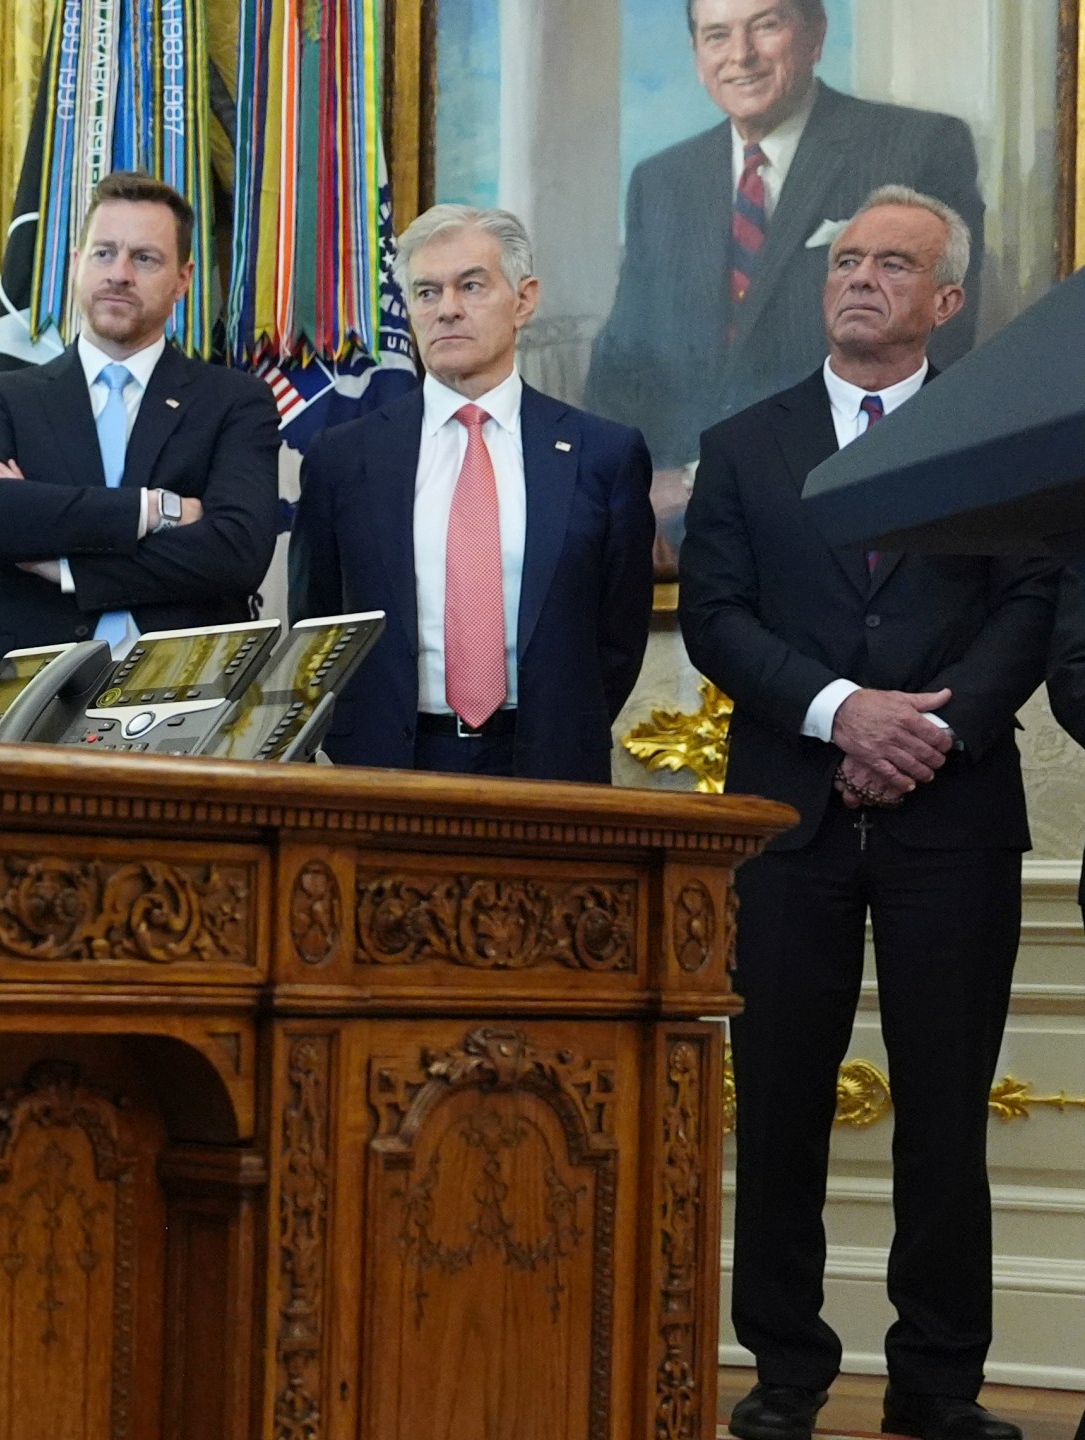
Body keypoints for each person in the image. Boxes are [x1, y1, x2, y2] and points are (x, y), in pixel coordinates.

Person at [680, 188, 1049, 1440]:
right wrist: (844, 713)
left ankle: (938, 1386)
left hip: (953, 821)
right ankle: (783, 1375)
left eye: (894, 264)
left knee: (944, 1118)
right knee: (777, 1103)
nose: (861, 279)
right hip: (787, 821)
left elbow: (1031, 604)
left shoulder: (1003, 436)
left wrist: (925, 732)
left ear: (946, 300)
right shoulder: (744, 445)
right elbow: (722, 620)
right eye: (846, 260)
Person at [584, 0, 984, 558]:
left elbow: (936, 353)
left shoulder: (917, 147)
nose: (740, 56)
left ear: (815, 35)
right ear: (698, 54)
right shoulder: (661, 181)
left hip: (848, 517)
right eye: (717, 35)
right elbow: (621, 364)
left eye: (765, 25)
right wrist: (621, 494)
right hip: (684, 535)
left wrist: (702, 478)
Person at [289, 205, 653, 781]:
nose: (447, 308)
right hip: (385, 768)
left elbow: (618, 634)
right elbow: (318, 621)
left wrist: (564, 724)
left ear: (524, 300)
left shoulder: (603, 455)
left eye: (472, 285)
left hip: (550, 768)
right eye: (427, 292)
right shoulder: (343, 458)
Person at [0, 171, 279, 655]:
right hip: (25, 690)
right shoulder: (7, 397)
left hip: (185, 687)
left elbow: (234, 552)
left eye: (144, 258)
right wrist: (153, 510)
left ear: (183, 280)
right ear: (78, 264)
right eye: (104, 253)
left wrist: (65, 567)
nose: (119, 273)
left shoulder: (234, 401)